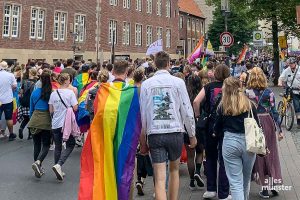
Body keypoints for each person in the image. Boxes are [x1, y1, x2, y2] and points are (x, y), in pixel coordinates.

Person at [78, 61, 142, 200]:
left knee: (104, 167)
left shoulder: (103, 90)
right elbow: (136, 116)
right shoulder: (132, 91)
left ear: (112, 72)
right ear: (126, 73)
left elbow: (95, 112)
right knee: (126, 170)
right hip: (125, 139)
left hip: (104, 138)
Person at [140, 51, 197, 200]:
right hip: (175, 131)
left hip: (155, 132)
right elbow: (186, 109)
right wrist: (191, 134)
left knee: (159, 178)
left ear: (155, 64)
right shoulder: (178, 82)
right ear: (168, 64)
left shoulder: (146, 84)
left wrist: (142, 141)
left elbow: (143, 114)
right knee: (174, 171)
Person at [214, 77, 258, 200]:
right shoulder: (249, 104)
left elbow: (217, 127)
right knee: (245, 179)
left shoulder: (223, 106)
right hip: (249, 142)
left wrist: (215, 133)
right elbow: (258, 125)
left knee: (235, 182)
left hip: (230, 142)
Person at [193, 64, 231, 200]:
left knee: (210, 157)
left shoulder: (208, 86)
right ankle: (224, 192)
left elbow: (196, 101)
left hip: (210, 125)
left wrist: (198, 116)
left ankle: (210, 189)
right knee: (225, 158)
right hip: (227, 125)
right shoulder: (231, 86)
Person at [246, 67, 283, 198]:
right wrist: (280, 130)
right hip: (268, 122)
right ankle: (272, 185)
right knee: (271, 154)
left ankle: (264, 188)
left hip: (253, 124)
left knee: (258, 155)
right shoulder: (269, 93)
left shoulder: (247, 93)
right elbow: (274, 112)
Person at [49, 73, 78, 181]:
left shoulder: (53, 93)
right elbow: (75, 108)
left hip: (55, 123)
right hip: (66, 124)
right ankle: (59, 165)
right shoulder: (70, 93)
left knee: (57, 146)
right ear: (66, 81)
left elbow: (51, 110)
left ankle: (57, 166)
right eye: (69, 79)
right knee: (70, 144)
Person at [28, 71, 53, 178]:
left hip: (35, 119)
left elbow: (31, 108)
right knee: (46, 145)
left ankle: (37, 167)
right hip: (46, 120)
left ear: (40, 80)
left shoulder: (35, 92)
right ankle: (38, 162)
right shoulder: (52, 92)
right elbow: (52, 110)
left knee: (36, 145)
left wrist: (31, 119)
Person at [278, 57, 300, 128]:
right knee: (296, 106)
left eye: (292, 64)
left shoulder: (299, 69)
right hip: (292, 90)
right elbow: (281, 78)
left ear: (295, 63)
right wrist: (279, 83)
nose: (290, 65)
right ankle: (299, 121)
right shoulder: (287, 70)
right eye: (289, 64)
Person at [18, 68, 38, 140]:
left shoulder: (24, 81)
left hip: (24, 102)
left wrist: (20, 100)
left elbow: (21, 92)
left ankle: (21, 128)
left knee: (25, 118)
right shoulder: (36, 82)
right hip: (31, 102)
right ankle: (30, 134)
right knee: (31, 119)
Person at [0, 61, 17, 141]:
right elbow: (14, 86)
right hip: (8, 99)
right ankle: (11, 134)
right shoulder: (10, 75)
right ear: (7, 67)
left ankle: (1, 133)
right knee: (9, 118)